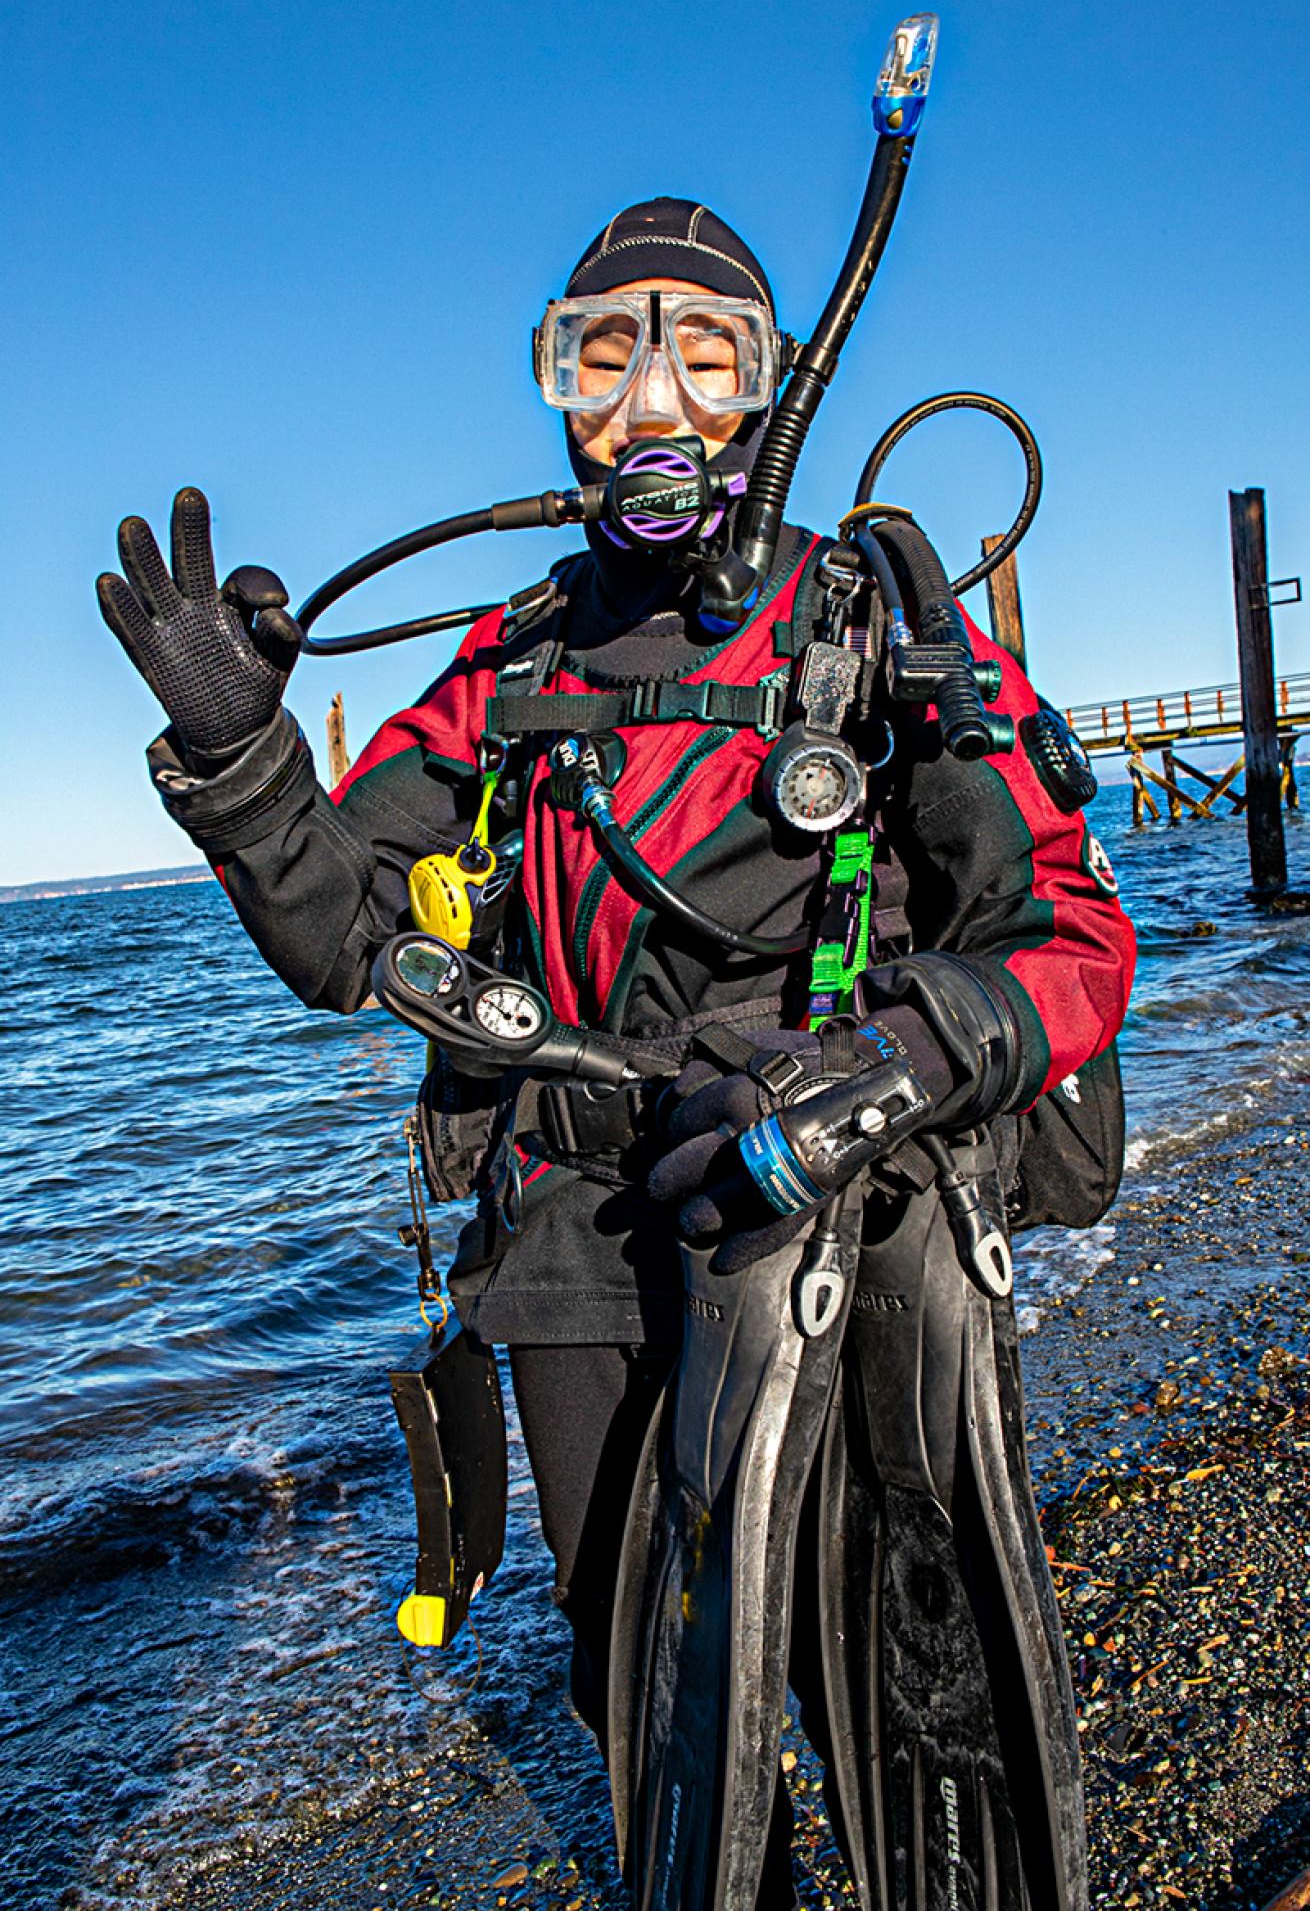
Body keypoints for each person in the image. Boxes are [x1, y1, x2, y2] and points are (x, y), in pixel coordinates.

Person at [99, 196, 1135, 1911]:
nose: (652, 401)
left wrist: (897, 1062)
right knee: (641, 1679)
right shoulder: (504, 661)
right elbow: (347, 940)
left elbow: (1074, 941)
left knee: (878, 1663)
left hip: (835, 1220)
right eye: (602, 354)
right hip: (572, 1235)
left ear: (767, 388)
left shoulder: (876, 626)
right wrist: (243, 767)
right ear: (555, 389)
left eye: (703, 352)